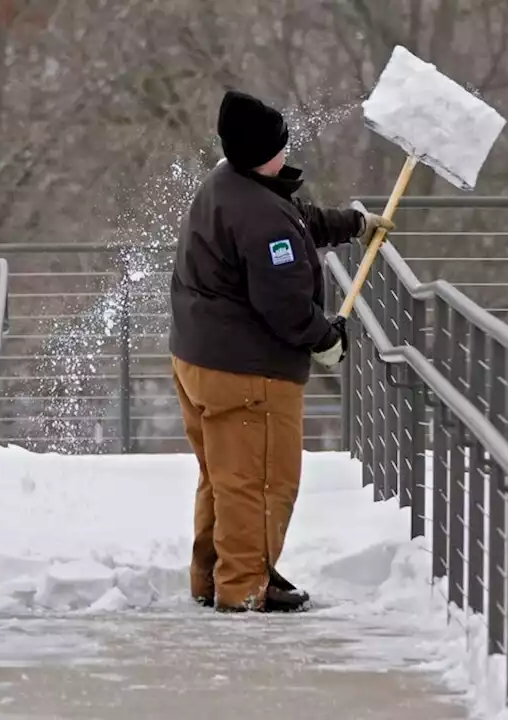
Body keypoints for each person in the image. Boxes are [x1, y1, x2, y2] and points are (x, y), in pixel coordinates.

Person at [168, 88, 394, 613]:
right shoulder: (261, 215)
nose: (288, 152)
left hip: (198, 359)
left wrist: (353, 225)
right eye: (282, 144)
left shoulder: (226, 185)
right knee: (260, 482)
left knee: (222, 479)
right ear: (263, 151)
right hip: (247, 376)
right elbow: (286, 303)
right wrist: (326, 340)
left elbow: (295, 220)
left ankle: (212, 578)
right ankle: (245, 588)